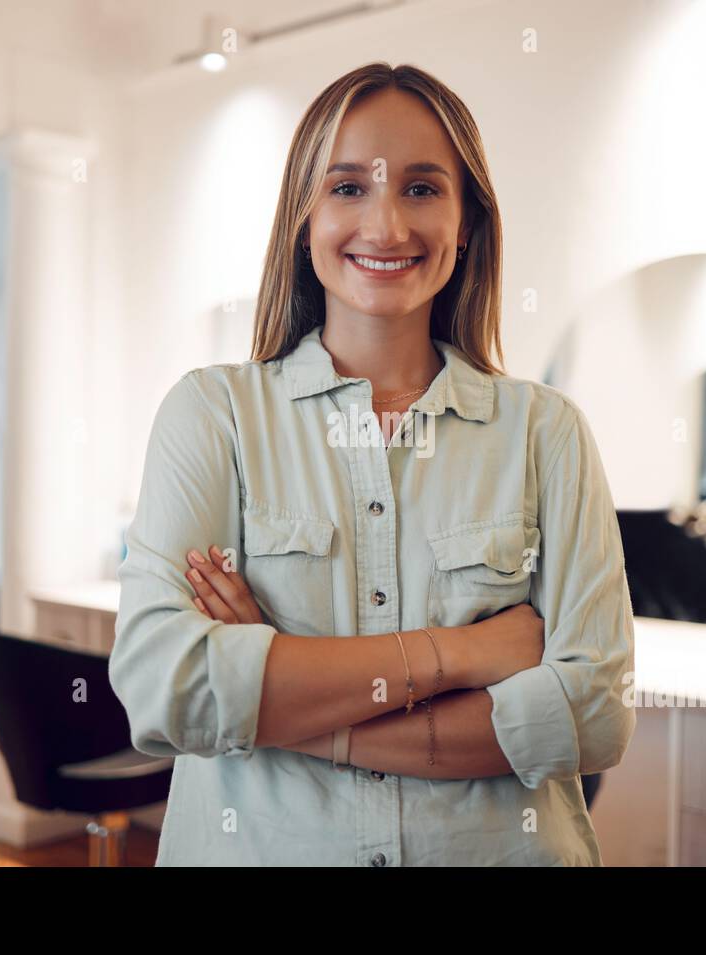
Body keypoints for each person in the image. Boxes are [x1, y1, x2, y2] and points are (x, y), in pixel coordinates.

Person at [109, 62, 636, 866]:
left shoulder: (546, 433)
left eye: (423, 188)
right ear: (303, 217)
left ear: (468, 225)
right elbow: (163, 691)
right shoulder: (213, 415)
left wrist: (282, 695)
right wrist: (460, 654)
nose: (387, 226)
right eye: (348, 187)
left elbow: (592, 717)